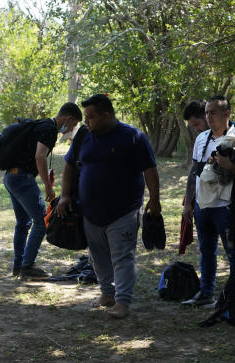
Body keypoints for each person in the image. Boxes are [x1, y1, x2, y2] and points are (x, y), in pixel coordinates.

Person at [56, 94, 161, 319]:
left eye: (91, 117)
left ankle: (122, 301)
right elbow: (69, 167)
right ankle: (107, 293)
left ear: (107, 115)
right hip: (90, 212)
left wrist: (155, 198)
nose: (86, 121)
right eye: (85, 117)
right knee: (98, 256)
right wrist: (64, 196)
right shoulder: (83, 137)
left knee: (122, 256)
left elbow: (150, 169)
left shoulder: (133, 137)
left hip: (124, 211)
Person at [181, 96, 235, 306]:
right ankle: (206, 292)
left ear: (227, 114)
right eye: (206, 112)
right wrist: (188, 202)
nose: (209, 116)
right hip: (202, 206)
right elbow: (194, 171)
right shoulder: (202, 138)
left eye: (213, 112)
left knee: (233, 253)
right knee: (206, 250)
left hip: (227, 207)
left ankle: (233, 297)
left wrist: (229, 166)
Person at [3, 102, 83, 279]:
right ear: (68, 118)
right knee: (41, 221)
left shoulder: (42, 124)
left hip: (11, 176)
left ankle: (18, 265)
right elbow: (39, 156)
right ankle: (27, 266)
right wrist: (48, 186)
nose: (70, 129)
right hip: (22, 179)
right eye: (73, 124)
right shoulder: (49, 129)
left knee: (23, 223)